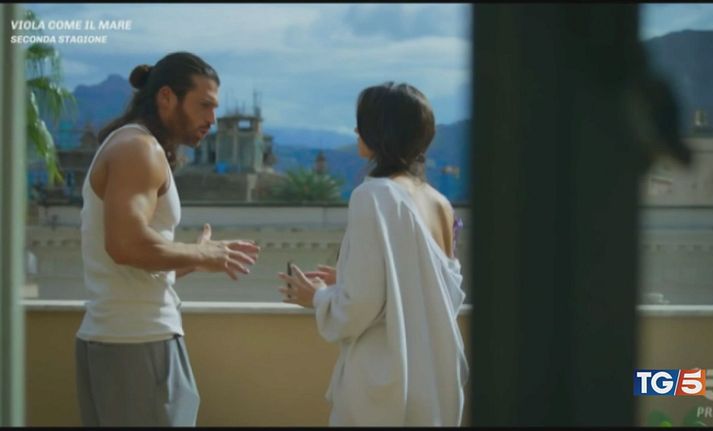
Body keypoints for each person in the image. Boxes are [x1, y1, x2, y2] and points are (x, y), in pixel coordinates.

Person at [74, 52, 261, 427]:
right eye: (204, 105)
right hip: (137, 343)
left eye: (215, 108)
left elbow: (133, 261)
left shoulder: (133, 145)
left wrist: (197, 257)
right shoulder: (138, 149)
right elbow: (125, 245)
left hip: (127, 339)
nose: (212, 118)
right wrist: (200, 254)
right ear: (166, 97)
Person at [278, 82, 468, 426]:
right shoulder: (440, 202)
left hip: (386, 387)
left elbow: (358, 307)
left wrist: (318, 296)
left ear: (381, 132)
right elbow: (441, 293)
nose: (356, 131)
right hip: (437, 379)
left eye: (362, 123)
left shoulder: (374, 196)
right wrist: (349, 277)